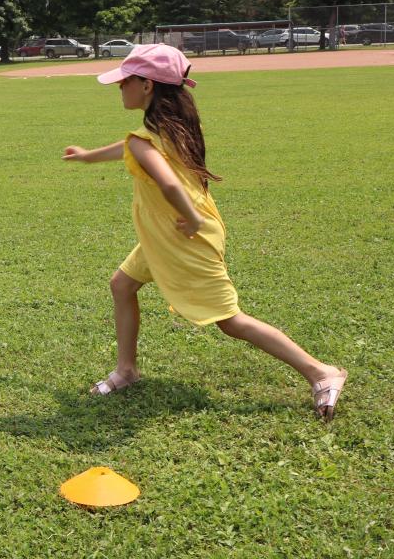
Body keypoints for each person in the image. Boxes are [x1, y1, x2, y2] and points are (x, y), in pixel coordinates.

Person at [62, 44, 348, 420]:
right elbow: (130, 149)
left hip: (183, 234)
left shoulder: (145, 138)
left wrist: (191, 220)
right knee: (122, 284)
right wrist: (87, 156)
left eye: (124, 82)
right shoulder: (166, 129)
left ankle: (320, 372)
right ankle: (127, 370)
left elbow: (169, 185)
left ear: (146, 86)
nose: (119, 88)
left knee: (230, 320)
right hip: (167, 233)